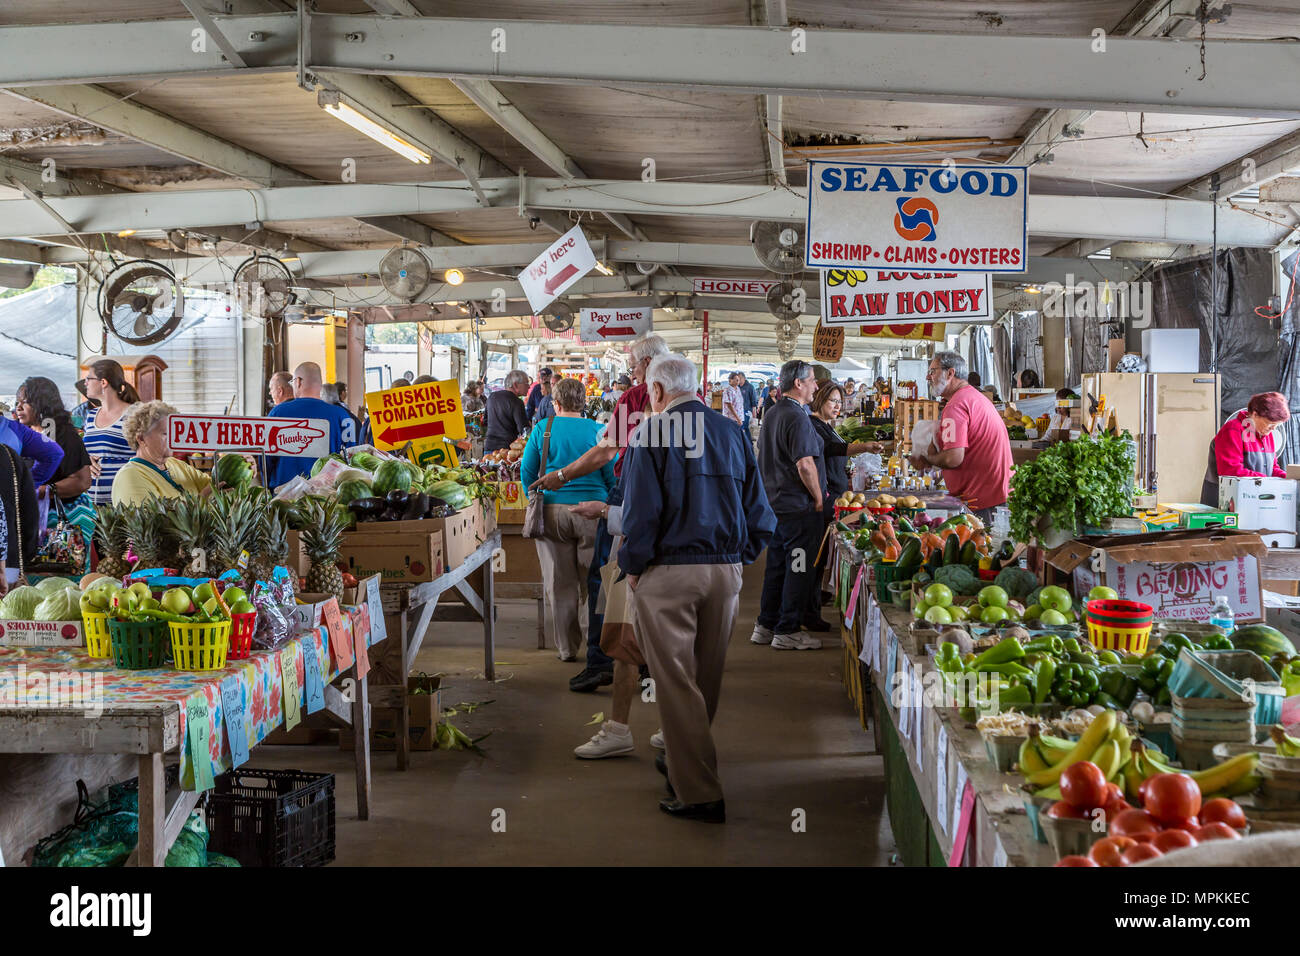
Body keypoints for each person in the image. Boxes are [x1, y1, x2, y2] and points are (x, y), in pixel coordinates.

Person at [619, 353, 775, 821]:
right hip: (724, 572)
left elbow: (640, 514)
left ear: (660, 392)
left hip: (668, 573)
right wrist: (740, 558)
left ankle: (700, 791)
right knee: (705, 678)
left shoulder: (649, 433)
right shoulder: (731, 431)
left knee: (675, 682)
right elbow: (760, 512)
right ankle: (684, 760)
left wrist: (633, 565)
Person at [534, 334, 670, 695]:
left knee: (605, 578)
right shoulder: (689, 400)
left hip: (632, 490)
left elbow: (605, 453)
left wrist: (561, 476)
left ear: (646, 364)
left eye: (633, 365)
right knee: (655, 580)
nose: (631, 371)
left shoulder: (636, 398)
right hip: (672, 497)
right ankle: (649, 664)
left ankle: (601, 662)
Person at [519, 378, 614, 662]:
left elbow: (527, 471)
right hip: (593, 512)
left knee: (559, 582)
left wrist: (534, 498)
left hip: (552, 512)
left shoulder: (542, 429)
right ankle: (594, 644)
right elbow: (612, 476)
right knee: (593, 580)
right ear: (583, 402)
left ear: (555, 403)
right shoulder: (600, 431)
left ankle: (566, 648)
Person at [752, 361, 827, 651]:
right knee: (798, 566)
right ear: (798, 383)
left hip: (776, 504)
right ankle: (788, 629)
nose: (816, 386)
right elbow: (805, 464)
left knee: (778, 565)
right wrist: (818, 497)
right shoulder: (796, 417)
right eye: (812, 380)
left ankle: (766, 624)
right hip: (797, 507)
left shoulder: (774, 412)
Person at [808, 381, 884, 627]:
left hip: (836, 492)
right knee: (815, 554)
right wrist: (864, 446)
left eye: (840, 401)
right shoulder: (813, 425)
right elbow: (832, 449)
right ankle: (808, 611)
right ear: (819, 399)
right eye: (833, 401)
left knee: (822, 552)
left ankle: (815, 600)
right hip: (827, 495)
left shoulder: (827, 425)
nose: (838, 406)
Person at [909, 351, 1013, 525]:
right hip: (996, 494)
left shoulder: (956, 405)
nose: (928, 376)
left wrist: (926, 459)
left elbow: (953, 458)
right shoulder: (974, 397)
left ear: (950, 373)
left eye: (933, 371)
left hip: (983, 498)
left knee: (983, 548)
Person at [267, 362, 357, 487]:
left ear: (298, 382)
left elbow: (267, 460)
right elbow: (351, 459)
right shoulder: (342, 416)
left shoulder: (278, 413)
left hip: (284, 498)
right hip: (328, 498)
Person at [111, 401, 213, 505]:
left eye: (175, 433)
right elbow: (152, 520)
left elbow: (214, 486)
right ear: (141, 438)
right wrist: (202, 499)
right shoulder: (129, 476)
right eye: (166, 434)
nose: (174, 439)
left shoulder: (176, 464)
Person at [1201, 391, 1291, 505]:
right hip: (1224, 501)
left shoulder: (1267, 435)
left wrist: (1290, 477)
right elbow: (1230, 471)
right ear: (1254, 414)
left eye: (1276, 426)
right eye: (1270, 424)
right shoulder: (1232, 430)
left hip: (1252, 498)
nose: (1273, 429)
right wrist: (1267, 480)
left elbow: (1272, 469)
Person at [14, 377, 91, 504]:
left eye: (25, 402)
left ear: (43, 404)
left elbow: (82, 481)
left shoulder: (65, 436)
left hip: (55, 515)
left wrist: (43, 491)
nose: (19, 407)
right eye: (18, 402)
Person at [81, 359, 140, 506]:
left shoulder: (134, 414)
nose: (85, 383)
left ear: (103, 383)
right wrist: (86, 460)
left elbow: (147, 455)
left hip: (125, 504)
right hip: (92, 505)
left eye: (89, 378)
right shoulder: (91, 415)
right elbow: (88, 452)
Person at [484, 369, 531, 453]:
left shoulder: (492, 397)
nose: (529, 386)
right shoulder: (517, 402)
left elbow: (485, 421)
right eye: (526, 383)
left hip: (489, 447)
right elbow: (523, 430)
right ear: (515, 385)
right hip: (507, 450)